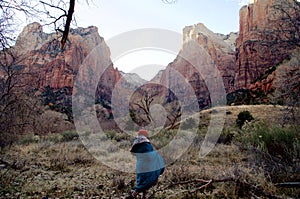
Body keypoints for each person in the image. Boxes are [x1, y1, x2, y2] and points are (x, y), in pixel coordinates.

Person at [125, 129, 165, 199]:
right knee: (146, 182)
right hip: (148, 167)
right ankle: (131, 196)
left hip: (140, 166)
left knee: (142, 181)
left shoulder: (136, 143)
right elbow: (149, 155)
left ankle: (143, 197)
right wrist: (158, 157)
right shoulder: (146, 144)